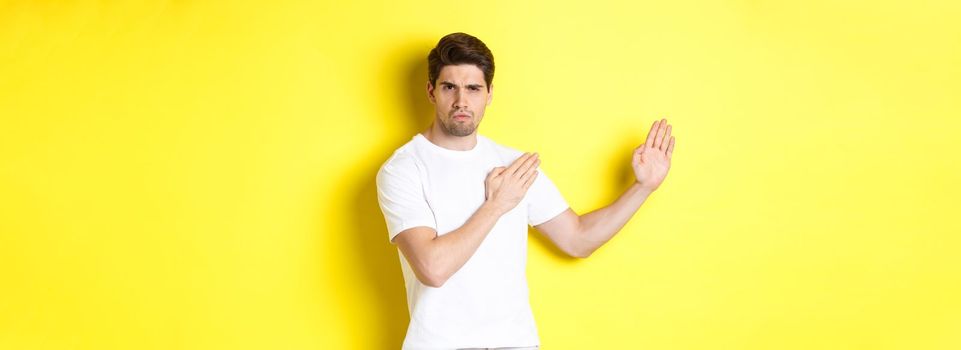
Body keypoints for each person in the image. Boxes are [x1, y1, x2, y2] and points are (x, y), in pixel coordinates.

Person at [376, 32, 675, 350]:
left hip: (515, 343)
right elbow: (432, 269)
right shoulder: (403, 169)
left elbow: (577, 239)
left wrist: (643, 188)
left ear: (489, 94)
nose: (461, 101)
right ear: (431, 91)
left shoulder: (514, 165)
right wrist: (496, 205)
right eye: (450, 87)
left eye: (473, 88)